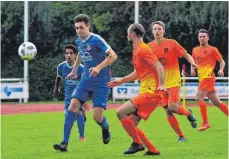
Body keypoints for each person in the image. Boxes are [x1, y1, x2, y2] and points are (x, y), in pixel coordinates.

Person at [53, 14, 117, 152]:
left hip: (101, 82)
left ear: (88, 26)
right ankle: (64, 143)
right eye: (76, 28)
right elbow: (81, 54)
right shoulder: (78, 41)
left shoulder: (96, 39)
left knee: (97, 117)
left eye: (81, 27)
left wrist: (99, 68)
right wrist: (74, 71)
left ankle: (105, 126)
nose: (79, 30)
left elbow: (113, 55)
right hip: (86, 80)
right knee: (72, 108)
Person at [108, 23, 166, 156]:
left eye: (128, 33)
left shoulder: (142, 50)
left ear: (133, 34)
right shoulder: (136, 51)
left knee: (120, 112)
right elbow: (137, 73)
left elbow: (159, 66)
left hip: (151, 93)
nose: (127, 35)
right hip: (148, 92)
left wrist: (162, 84)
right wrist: (120, 81)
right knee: (132, 124)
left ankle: (138, 144)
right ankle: (153, 150)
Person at [147, 21, 198, 141]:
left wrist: (193, 63)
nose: (157, 31)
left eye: (159, 29)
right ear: (152, 31)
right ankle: (181, 136)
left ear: (163, 31)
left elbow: (186, 55)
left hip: (174, 81)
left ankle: (188, 113)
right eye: (155, 29)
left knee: (173, 107)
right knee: (167, 111)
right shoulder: (149, 47)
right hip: (160, 84)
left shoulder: (172, 43)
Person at [191, 29, 228, 131]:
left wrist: (221, 70)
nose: (202, 38)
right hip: (202, 78)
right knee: (217, 102)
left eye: (204, 36)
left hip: (208, 77)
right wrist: (192, 69)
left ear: (208, 37)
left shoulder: (213, 49)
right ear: (198, 38)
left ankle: (205, 122)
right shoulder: (195, 50)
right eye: (200, 36)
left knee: (198, 97)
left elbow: (222, 61)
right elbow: (193, 62)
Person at [53, 44, 87, 152]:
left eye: (71, 53)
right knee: (72, 114)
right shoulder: (61, 66)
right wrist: (56, 88)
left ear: (76, 55)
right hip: (68, 96)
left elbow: (85, 84)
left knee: (76, 113)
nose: (68, 55)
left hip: (78, 94)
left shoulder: (81, 68)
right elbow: (58, 78)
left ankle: (76, 138)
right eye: (67, 53)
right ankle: (68, 141)